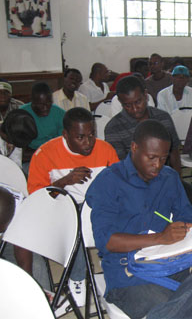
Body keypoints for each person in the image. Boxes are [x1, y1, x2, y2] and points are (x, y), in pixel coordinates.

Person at [86, 120, 192, 319]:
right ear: (134, 147)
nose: (157, 165)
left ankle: (183, 304)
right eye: (152, 157)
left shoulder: (169, 177)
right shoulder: (109, 181)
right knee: (178, 304)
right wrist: (160, 238)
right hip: (129, 274)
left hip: (169, 260)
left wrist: (184, 228)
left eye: (163, 158)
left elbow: (185, 214)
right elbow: (106, 242)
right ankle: (186, 303)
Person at [27, 107, 119, 306]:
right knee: (75, 224)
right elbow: (36, 199)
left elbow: (119, 185)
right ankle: (77, 278)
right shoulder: (45, 154)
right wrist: (64, 181)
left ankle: (114, 268)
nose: (88, 142)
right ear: (65, 135)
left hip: (97, 205)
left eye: (92, 134)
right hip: (63, 208)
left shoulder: (105, 150)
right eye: (81, 137)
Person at [105, 76, 192, 221]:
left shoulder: (162, 117)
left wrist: (177, 181)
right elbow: (123, 167)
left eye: (138, 102)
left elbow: (174, 151)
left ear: (145, 95)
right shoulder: (113, 127)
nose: (135, 109)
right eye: (127, 105)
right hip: (134, 185)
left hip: (166, 176)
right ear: (120, 102)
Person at [20, 82, 65, 152]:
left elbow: (62, 141)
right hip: (30, 152)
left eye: (49, 103)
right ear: (32, 101)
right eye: (41, 104)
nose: (45, 108)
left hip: (54, 151)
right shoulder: (21, 114)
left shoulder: (60, 113)